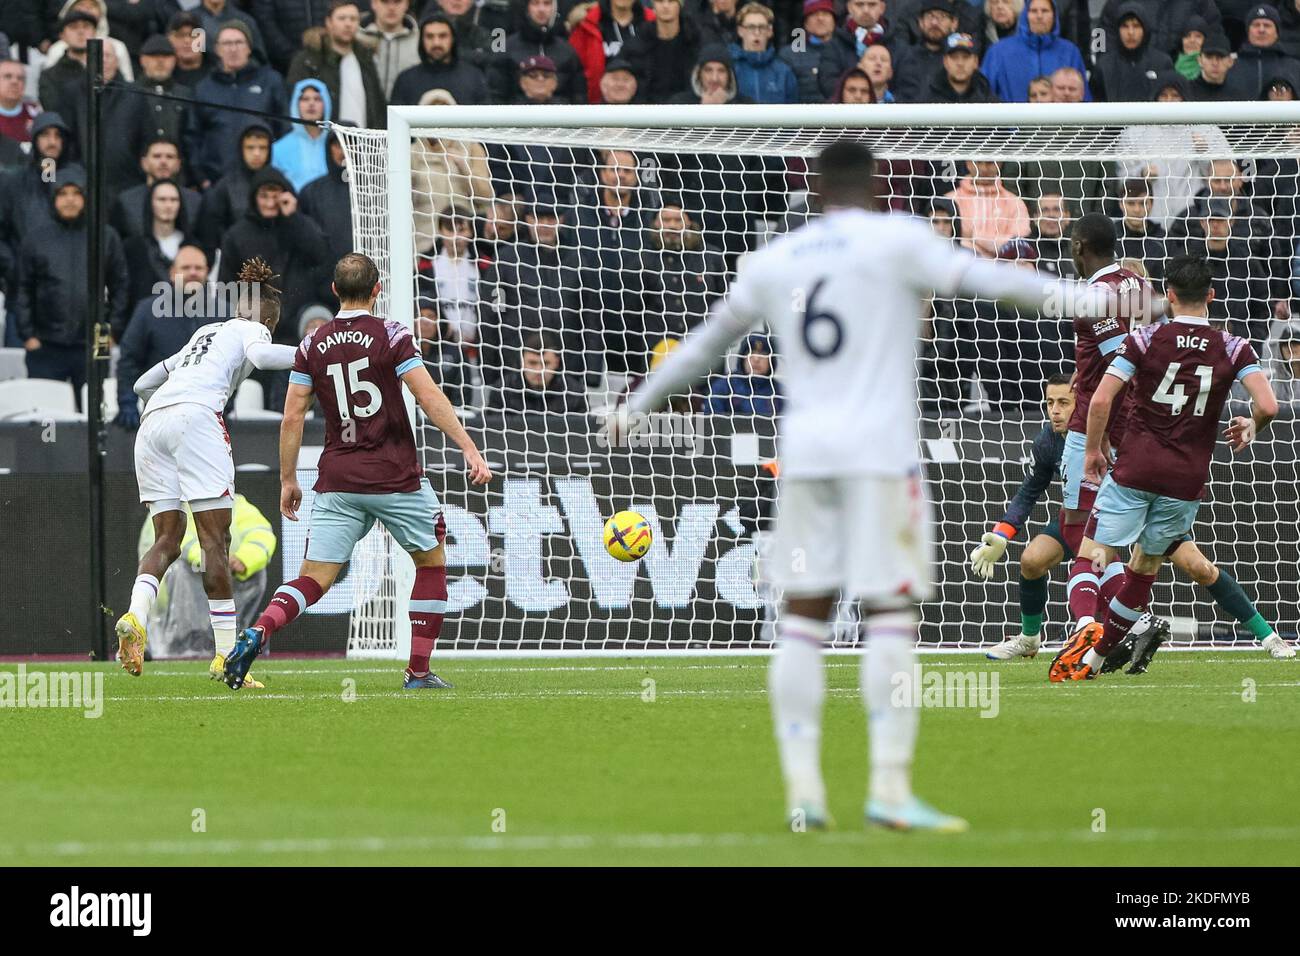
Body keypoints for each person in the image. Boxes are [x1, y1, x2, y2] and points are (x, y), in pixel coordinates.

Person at [613, 139, 1118, 833]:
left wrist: (636, 405)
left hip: (810, 457)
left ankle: (803, 795)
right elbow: (1001, 283)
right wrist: (1100, 298)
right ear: (877, 186)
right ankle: (887, 788)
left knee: (802, 619)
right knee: (887, 618)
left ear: (814, 189)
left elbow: (705, 345)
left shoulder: (775, 260)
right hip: (882, 459)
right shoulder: (897, 240)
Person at [222, 253, 493, 691]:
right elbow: (427, 396)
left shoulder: (311, 344)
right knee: (430, 561)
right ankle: (418, 672)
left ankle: (259, 630)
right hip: (394, 475)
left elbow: (292, 415)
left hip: (338, 477)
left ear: (334, 291)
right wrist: (468, 447)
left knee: (312, 579)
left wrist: (288, 478)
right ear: (377, 289)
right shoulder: (392, 335)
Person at [1054, 256, 1285, 680]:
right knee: (1144, 569)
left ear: (1169, 295)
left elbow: (1103, 399)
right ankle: (1099, 658)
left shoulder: (1144, 339)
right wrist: (1252, 425)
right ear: (1211, 296)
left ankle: (1086, 626)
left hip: (1136, 468)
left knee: (1092, 554)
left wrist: (1092, 450)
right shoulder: (1235, 347)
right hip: (1186, 479)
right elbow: (1268, 404)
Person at [973, 373, 1295, 660]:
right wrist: (1003, 533)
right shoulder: (1049, 441)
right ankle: (1031, 639)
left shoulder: (1121, 429)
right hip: (1082, 521)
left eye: (1063, 402)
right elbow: (1030, 489)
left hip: (1138, 512)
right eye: (1049, 403)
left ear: (1081, 403)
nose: (1055, 411)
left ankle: (1269, 637)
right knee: (1031, 561)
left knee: (1200, 568)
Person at [114, 258, 296, 679]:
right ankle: (227, 656)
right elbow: (265, 357)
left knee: (167, 539)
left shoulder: (203, 333)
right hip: (197, 420)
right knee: (216, 541)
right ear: (267, 318)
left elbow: (142, 385)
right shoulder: (252, 328)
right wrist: (316, 353)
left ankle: (135, 616)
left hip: (153, 422)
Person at [15, 166, 129, 389]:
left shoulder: (105, 236)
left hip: (95, 341)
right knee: (46, 412)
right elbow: (21, 288)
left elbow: (121, 285)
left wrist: (111, 331)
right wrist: (28, 336)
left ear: (86, 198)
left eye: (76, 193)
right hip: (45, 343)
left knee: (95, 414)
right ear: (53, 198)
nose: (70, 200)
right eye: (63, 193)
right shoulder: (36, 239)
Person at [137, 494, 278, 661]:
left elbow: (261, 534)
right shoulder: (170, 508)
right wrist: (213, 561)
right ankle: (183, 644)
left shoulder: (236, 503)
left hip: (229, 577)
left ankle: (230, 642)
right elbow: (171, 544)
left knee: (254, 571)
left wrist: (243, 559)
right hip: (179, 588)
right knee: (183, 569)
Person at [115, 245, 222, 429]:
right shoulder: (147, 311)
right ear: (172, 273)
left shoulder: (224, 312)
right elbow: (129, 360)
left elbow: (234, 363)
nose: (193, 273)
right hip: (158, 413)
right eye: (186, 268)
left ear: (207, 273)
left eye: (199, 268)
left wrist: (226, 403)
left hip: (209, 416)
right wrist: (128, 402)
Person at [186, 22, 286, 188]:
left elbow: (284, 129)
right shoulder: (203, 88)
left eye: (239, 42)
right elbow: (192, 137)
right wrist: (201, 178)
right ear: (217, 49)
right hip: (217, 182)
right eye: (227, 43)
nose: (233, 49)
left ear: (249, 48)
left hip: (263, 182)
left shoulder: (270, 81)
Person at [287, 1, 387, 128]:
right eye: (342, 18)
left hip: (364, 141)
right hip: (326, 140)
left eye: (353, 19)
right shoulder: (309, 60)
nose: (348, 24)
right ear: (328, 22)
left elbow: (377, 105)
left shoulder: (365, 58)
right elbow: (296, 103)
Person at [980, 0, 1089, 103]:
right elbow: (983, 95)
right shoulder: (998, 51)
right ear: (1025, 15)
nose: (1039, 16)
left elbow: (1084, 97)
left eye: (1045, 11)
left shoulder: (1070, 52)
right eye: (1033, 11)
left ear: (1054, 16)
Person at [492, 0, 587, 104]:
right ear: (527, 7)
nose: (541, 9)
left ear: (554, 8)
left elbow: (579, 96)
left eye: (547, 3)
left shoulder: (567, 51)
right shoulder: (507, 48)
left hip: (559, 118)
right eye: (535, 3)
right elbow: (495, 94)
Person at [389, 10, 489, 105]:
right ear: (421, 40)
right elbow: (396, 121)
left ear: (453, 39)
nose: (436, 43)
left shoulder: (474, 78)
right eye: (429, 36)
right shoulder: (406, 80)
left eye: (443, 36)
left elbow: (485, 119)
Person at [122, 179, 192, 307]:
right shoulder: (134, 247)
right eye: (162, 199)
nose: (168, 205)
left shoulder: (192, 246)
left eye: (174, 200)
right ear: (151, 203)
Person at [1090, 3, 1174, 102]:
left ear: (1145, 28)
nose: (1130, 32)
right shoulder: (1104, 66)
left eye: (1136, 26)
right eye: (1125, 26)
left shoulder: (1162, 63)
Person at [729, 2, 798, 103]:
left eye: (761, 27)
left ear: (770, 31)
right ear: (740, 31)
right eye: (751, 27)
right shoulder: (730, 68)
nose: (757, 33)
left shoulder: (783, 72)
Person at [272, 79, 332, 192]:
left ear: (326, 104)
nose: (311, 103)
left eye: (317, 99)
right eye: (305, 99)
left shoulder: (336, 146)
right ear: (296, 104)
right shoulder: (279, 149)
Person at [705, 332, 782, 415]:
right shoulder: (723, 387)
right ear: (742, 357)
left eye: (763, 353)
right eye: (751, 352)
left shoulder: (780, 392)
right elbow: (706, 424)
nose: (756, 359)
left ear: (771, 360)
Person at [360, 0, 421, 99]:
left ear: (407, 4)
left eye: (397, 2)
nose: (391, 8)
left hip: (405, 110)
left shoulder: (420, 40)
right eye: (385, 2)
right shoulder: (357, 39)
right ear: (374, 3)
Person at [920, 31, 998, 103]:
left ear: (975, 62)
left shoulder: (987, 97)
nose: (960, 63)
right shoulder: (928, 97)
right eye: (954, 57)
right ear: (945, 62)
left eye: (966, 57)